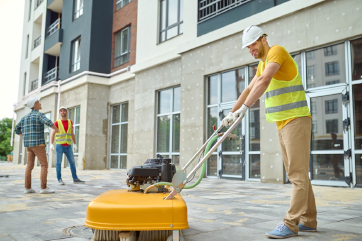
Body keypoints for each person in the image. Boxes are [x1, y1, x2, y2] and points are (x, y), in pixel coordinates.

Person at [222, 25, 317, 238]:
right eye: (248, 47)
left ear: (264, 39)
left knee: (296, 175)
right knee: (299, 173)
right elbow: (248, 89)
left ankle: (291, 224)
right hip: (282, 122)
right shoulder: (261, 63)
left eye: (253, 44)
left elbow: (264, 81)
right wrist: (231, 113)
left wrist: (246, 108)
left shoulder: (277, 52)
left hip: (296, 119)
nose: (251, 50)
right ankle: (309, 220)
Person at [15, 97, 59, 194]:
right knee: (44, 165)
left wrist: (25, 137)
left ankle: (27, 188)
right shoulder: (39, 115)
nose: (40, 104)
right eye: (39, 102)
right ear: (35, 105)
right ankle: (43, 188)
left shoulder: (24, 117)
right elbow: (48, 122)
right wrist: (56, 129)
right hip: (38, 145)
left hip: (29, 146)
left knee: (29, 166)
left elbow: (16, 129)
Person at [50, 106, 85, 185]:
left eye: (64, 111)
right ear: (60, 113)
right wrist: (51, 144)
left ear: (66, 112)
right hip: (59, 146)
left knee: (72, 162)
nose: (63, 112)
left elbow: (72, 133)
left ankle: (75, 178)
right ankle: (59, 179)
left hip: (68, 146)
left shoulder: (70, 122)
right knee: (59, 163)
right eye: (61, 111)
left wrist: (75, 144)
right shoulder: (57, 122)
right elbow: (53, 133)